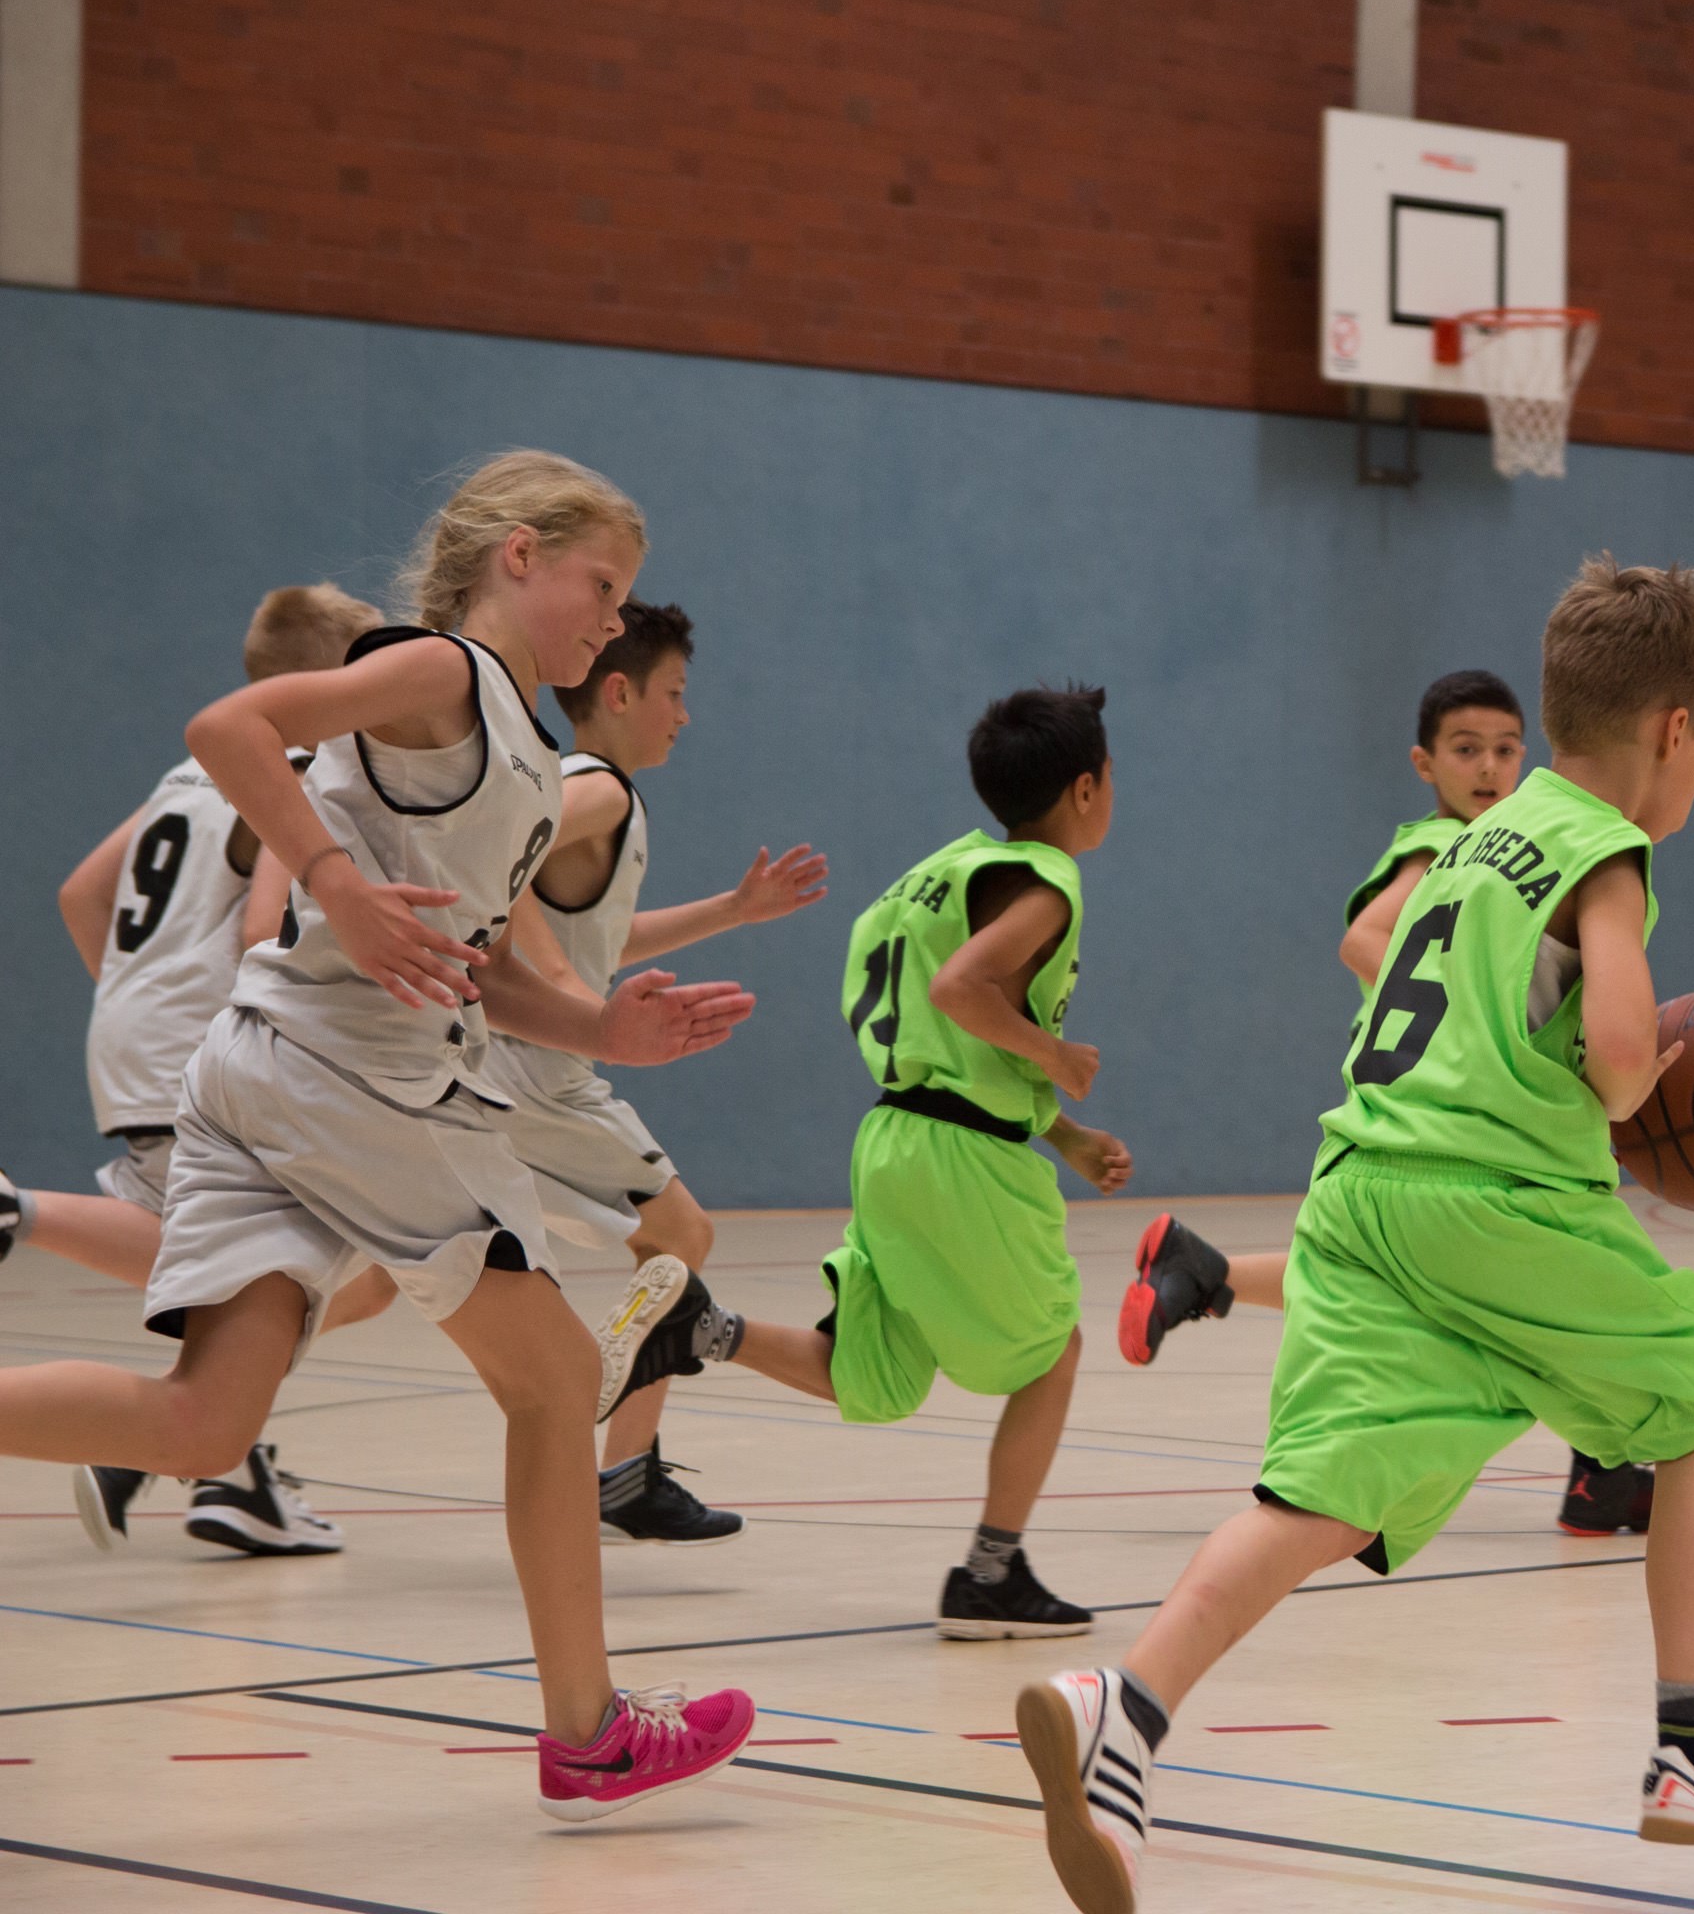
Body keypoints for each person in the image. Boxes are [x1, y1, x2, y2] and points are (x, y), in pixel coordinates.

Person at [1016, 557, 1694, 1914]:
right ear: (1674, 729)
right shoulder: (1606, 854)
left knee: (1322, 1496)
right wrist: (1639, 1091)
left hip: (1361, 1185)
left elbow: (1388, 953)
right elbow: (1623, 1057)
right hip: (1494, 1200)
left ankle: (1126, 1705)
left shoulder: (1468, 842)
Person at [0, 450, 761, 1819]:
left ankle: (588, 1728)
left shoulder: (523, 751)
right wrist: (335, 879)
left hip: (263, 1070)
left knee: (204, 1423)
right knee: (555, 1380)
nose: (612, 620)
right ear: (518, 553)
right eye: (602, 585)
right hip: (351, 1077)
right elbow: (230, 725)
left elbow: (479, 966)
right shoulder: (445, 671)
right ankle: (587, 1729)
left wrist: (605, 1031)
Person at [607, 686, 1127, 1639]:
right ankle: (992, 1573)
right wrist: (1056, 1055)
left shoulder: (936, 874)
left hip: (896, 1139)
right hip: (964, 1161)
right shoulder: (1047, 883)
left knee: (876, 1374)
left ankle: (699, 1328)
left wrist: (1066, 1136)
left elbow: (953, 1040)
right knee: (1051, 1355)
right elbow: (960, 991)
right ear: (1086, 789)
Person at [1123, 669, 1657, 1534]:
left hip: (1420, 1106)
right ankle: (1604, 1474)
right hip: (1457, 1104)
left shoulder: (1499, 844)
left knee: (1384, 1278)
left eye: (1505, 749)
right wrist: (1473, 1017)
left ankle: (1204, 1272)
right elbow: (1363, 938)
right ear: (1424, 763)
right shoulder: (1447, 845)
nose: (1489, 767)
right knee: (1553, 1278)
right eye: (1466, 750)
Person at [1, 583, 394, 1555]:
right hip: (209, 1049)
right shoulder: (297, 768)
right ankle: (181, 1443)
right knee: (326, 1268)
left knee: (304, 1275)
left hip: (133, 1032)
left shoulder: (189, 772)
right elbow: (264, 926)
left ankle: (220, 1468)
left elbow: (81, 893)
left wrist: (138, 1002)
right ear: (329, 685)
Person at [482, 599, 828, 1546]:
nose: (685, 713)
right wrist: (563, 991)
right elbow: (496, 851)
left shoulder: (595, 793)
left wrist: (732, 910)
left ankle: (188, 1415)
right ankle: (626, 1474)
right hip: (530, 1069)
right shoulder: (596, 791)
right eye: (674, 693)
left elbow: (598, 939)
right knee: (680, 1233)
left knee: (371, 1276)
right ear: (620, 693)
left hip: (497, 1067)